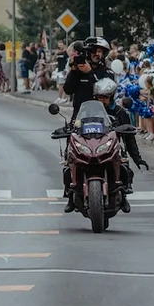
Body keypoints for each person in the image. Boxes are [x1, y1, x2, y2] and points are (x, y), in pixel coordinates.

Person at [63, 77, 144, 212]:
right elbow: (74, 127)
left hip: (110, 147)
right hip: (89, 144)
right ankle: (71, 197)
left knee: (124, 166)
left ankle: (123, 196)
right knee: (68, 167)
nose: (102, 100)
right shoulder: (87, 110)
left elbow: (129, 138)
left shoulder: (120, 112)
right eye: (99, 97)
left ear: (112, 97)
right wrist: (69, 134)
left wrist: (138, 158)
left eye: (105, 97)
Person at [55, 37, 113, 138]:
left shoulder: (107, 72)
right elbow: (68, 90)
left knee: (123, 124)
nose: (96, 54)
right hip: (80, 116)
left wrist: (90, 73)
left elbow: (104, 90)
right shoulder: (78, 71)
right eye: (93, 51)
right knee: (71, 145)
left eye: (99, 51)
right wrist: (73, 71)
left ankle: (132, 153)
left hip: (103, 117)